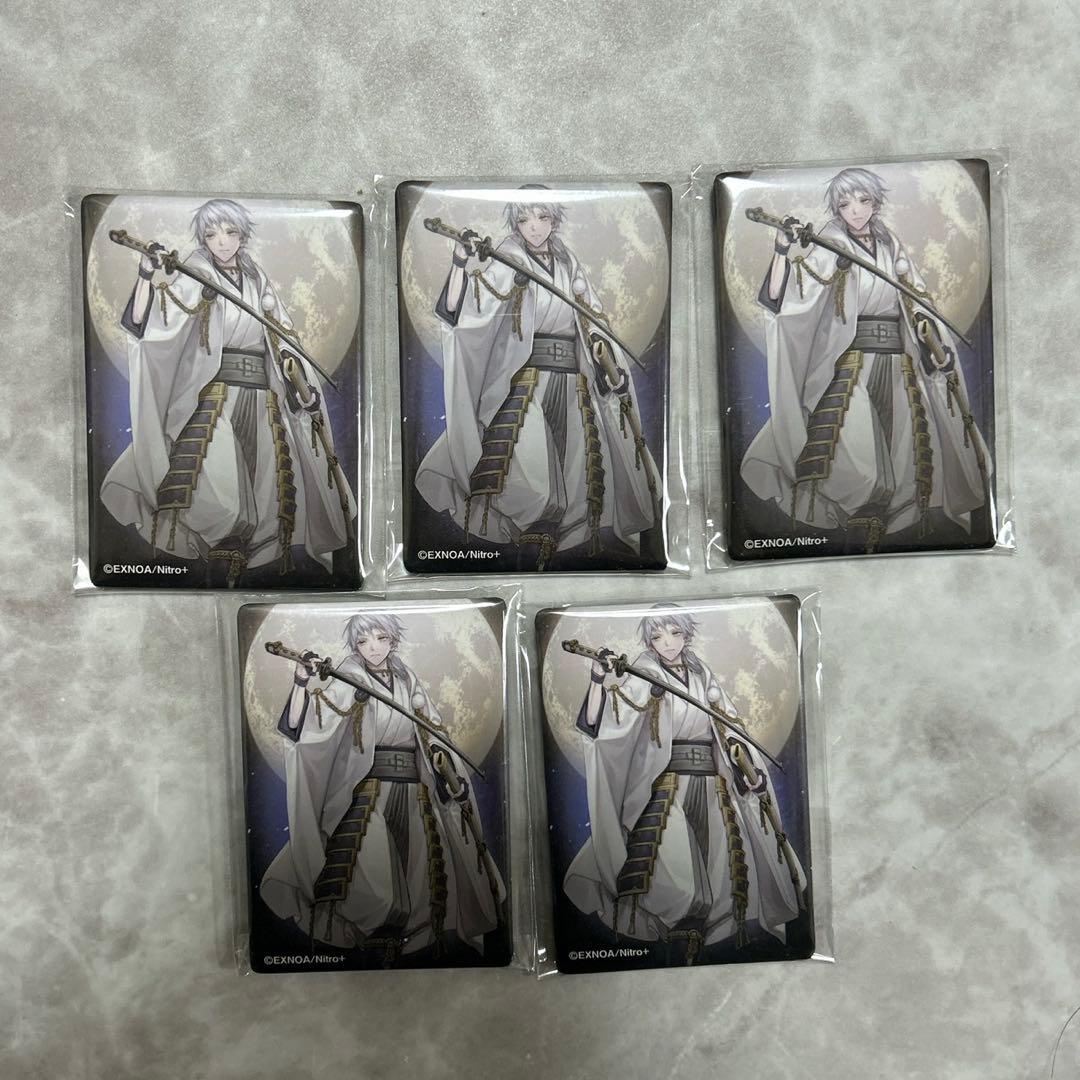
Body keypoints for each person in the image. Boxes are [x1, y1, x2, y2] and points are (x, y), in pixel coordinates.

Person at [100, 198, 354, 585]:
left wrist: (299, 379)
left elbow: (283, 335)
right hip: (214, 399)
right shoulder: (195, 274)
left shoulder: (256, 278)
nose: (222, 241)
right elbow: (149, 327)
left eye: (230, 232)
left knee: (265, 494)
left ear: (242, 236)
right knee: (223, 494)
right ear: (202, 239)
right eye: (212, 234)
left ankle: (234, 569)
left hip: (262, 398)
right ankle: (220, 560)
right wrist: (146, 273)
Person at [741, 167, 990, 552]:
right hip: (851, 367)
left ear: (875, 202)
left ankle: (872, 539)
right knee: (864, 468)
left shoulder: (891, 245)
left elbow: (917, 301)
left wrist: (933, 343)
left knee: (904, 465)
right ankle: (855, 531)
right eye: (844, 204)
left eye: (862, 200)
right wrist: (781, 250)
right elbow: (786, 301)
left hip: (898, 365)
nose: (855, 210)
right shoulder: (830, 244)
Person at [415, 186, 659, 569]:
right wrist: (461, 262)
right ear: (515, 221)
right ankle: (531, 544)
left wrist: (602, 350)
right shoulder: (506, 259)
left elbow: (591, 316)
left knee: (575, 471)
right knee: (533, 471)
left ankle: (555, 551)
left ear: (554, 220)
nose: (534, 226)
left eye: (543, 217)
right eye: (525, 218)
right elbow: (463, 313)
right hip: (525, 383)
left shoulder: (568, 261)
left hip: (572, 380)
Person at [564, 606, 804, 965]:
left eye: (675, 633)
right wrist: (598, 678)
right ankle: (675, 948)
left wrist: (745, 765)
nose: (668, 643)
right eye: (658, 636)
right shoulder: (643, 673)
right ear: (649, 641)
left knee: (720, 882)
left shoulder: (702, 673)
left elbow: (727, 726)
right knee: (683, 886)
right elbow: (600, 725)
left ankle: (690, 954)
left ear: (687, 635)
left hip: (712, 788)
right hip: (668, 790)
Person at [260, 613, 504, 966]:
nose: (372, 648)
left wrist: (446, 764)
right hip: (369, 794)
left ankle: (397, 950)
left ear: (392, 640)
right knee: (377, 887)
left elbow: (433, 730)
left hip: (415, 792)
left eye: (380, 638)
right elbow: (306, 730)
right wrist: (301, 682)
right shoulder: (348, 679)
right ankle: (371, 941)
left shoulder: (408, 679)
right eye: (363, 641)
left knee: (421, 881)